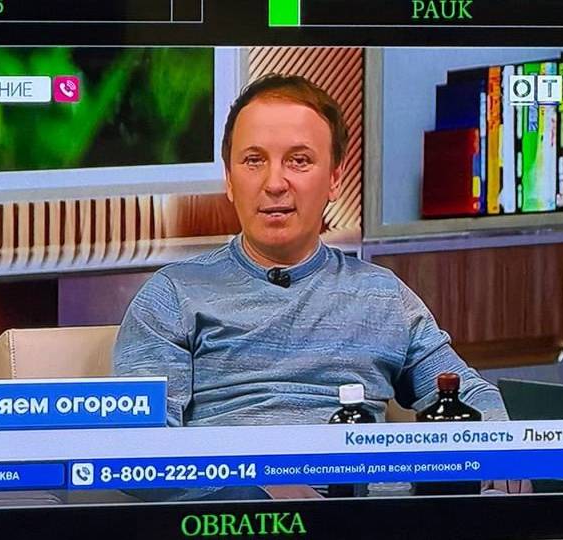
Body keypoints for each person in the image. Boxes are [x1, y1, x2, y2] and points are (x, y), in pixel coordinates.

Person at [113, 74, 526, 496]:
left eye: (299, 161)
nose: (274, 183)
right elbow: (141, 454)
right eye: (253, 160)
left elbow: (465, 392)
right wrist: (255, 484)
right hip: (241, 514)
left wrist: (503, 449)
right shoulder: (173, 295)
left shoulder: (382, 294)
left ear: (333, 179)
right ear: (230, 180)